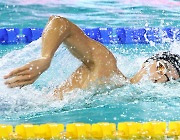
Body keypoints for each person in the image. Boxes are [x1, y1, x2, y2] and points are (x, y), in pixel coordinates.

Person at [3, 16, 180, 99]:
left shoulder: (125, 95)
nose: (161, 78)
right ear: (149, 64)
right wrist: (45, 58)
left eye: (171, 81)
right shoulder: (107, 66)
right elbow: (60, 23)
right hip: (17, 104)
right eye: (162, 68)